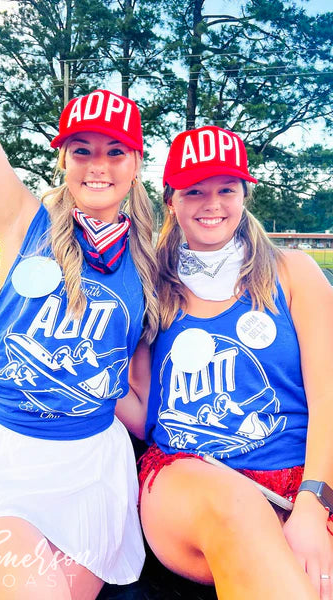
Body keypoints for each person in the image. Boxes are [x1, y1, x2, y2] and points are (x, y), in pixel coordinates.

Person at [0, 15, 158, 600]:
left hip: (88, 470)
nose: (98, 165)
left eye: (115, 151)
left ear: (136, 164)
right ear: (63, 160)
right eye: (82, 150)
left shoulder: (149, 262)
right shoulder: (22, 220)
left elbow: (138, 394)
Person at [129, 125, 333, 600]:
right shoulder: (146, 282)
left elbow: (328, 398)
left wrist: (313, 504)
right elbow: (143, 414)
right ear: (171, 201)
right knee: (237, 509)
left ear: (244, 196)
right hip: (186, 475)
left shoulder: (294, 272)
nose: (213, 204)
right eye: (195, 191)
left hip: (297, 480)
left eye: (226, 189)